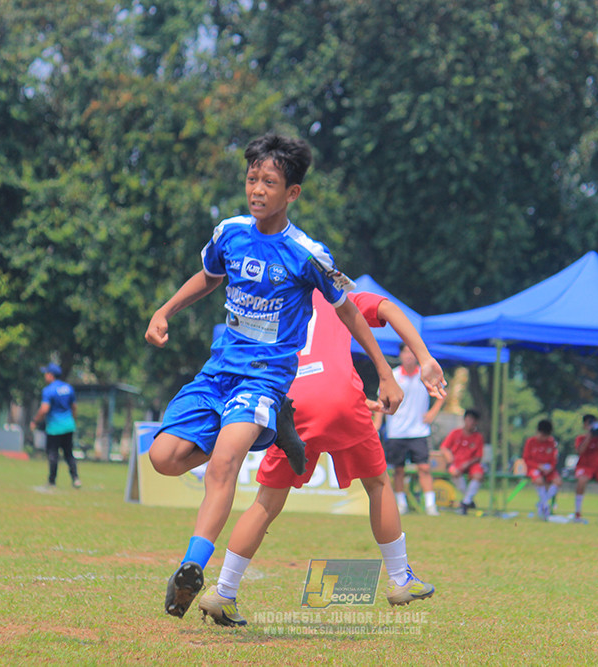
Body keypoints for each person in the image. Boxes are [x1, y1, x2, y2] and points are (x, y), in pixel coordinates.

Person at [143, 133, 402, 620]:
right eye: (251, 179)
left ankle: (191, 569)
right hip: (219, 370)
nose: (257, 189)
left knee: (223, 465)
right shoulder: (229, 233)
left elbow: (349, 313)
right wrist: (166, 310)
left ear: (293, 193)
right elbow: (209, 276)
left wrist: (385, 373)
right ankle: (274, 429)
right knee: (163, 457)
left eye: (270, 182)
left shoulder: (308, 253)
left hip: (263, 380)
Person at [198, 290, 445, 626]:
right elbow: (389, 307)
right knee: (377, 484)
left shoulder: (276, 302)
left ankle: (223, 591)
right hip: (342, 396)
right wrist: (425, 356)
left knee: (266, 503)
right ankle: (401, 579)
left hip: (291, 401)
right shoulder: (338, 294)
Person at [380, 343, 446, 516]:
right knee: (398, 470)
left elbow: (441, 392)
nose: (409, 356)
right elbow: (381, 400)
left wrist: (433, 411)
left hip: (419, 431)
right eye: (405, 352)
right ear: (400, 355)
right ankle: (401, 504)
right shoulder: (392, 376)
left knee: (424, 468)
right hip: (396, 431)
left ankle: (431, 505)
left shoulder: (425, 374)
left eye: (412, 352)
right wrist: (377, 424)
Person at [29, 363, 80, 489]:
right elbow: (74, 407)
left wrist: (35, 421)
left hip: (54, 427)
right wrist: (73, 420)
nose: (45, 376)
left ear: (51, 375)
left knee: (53, 454)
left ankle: (52, 481)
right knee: (69, 454)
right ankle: (76, 479)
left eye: (46, 373)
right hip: (68, 425)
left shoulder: (48, 390)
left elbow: (44, 409)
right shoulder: (68, 388)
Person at [439, 409, 485, 514]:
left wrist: (466, 464)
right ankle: (468, 500)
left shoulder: (478, 437)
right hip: (456, 463)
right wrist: (449, 458)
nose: (471, 423)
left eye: (473, 420)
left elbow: (478, 456)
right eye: (469, 420)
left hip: (471, 463)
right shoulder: (455, 433)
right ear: (465, 420)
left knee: (478, 475)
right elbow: (444, 447)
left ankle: (465, 502)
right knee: (454, 471)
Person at [522, 419, 561, 520]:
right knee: (539, 480)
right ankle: (544, 506)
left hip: (548, 470)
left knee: (558, 481)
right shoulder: (530, 442)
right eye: (542, 435)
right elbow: (526, 459)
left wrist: (550, 468)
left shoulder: (551, 442)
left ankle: (541, 504)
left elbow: (553, 458)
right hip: (534, 468)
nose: (543, 438)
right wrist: (538, 466)